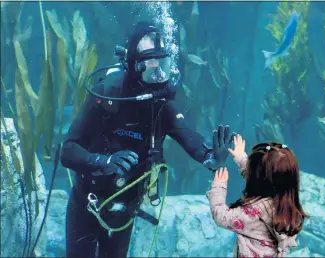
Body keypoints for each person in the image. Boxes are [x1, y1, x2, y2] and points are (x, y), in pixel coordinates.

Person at [60, 21, 235, 258]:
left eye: (162, 62)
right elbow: (68, 150)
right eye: (149, 63)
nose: (158, 71)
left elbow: (186, 134)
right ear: (133, 64)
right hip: (87, 205)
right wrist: (103, 161)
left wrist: (210, 157)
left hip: (124, 212)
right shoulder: (109, 94)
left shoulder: (159, 105)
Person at [206, 135, 309, 258]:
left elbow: (222, 217)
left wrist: (218, 188)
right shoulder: (286, 204)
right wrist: (241, 158)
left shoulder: (254, 213)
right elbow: (264, 177)